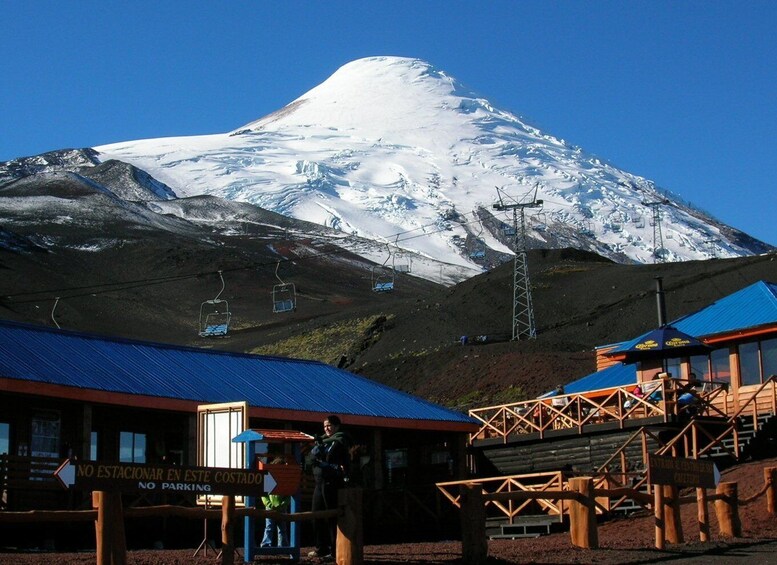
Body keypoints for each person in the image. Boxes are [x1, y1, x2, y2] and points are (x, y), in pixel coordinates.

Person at [307, 415, 351, 560]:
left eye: (329, 425)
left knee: (331, 516)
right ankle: (321, 548)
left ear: (337, 426)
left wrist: (323, 461)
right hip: (319, 482)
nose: (326, 428)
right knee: (316, 514)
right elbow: (309, 459)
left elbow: (340, 461)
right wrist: (314, 455)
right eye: (325, 425)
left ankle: (334, 551)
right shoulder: (321, 441)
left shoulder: (340, 440)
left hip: (331, 482)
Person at [260, 456, 290, 548]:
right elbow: (264, 495)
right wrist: (269, 504)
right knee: (269, 527)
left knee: (282, 528)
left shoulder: (283, 481)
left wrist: (283, 504)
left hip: (280, 507)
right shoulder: (269, 479)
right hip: (271, 507)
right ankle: (266, 544)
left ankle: (283, 545)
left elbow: (288, 495)